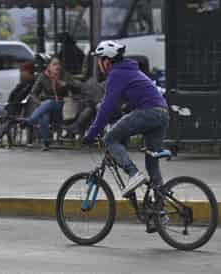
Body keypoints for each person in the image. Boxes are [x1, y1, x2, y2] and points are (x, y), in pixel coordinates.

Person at [82, 41, 169, 197]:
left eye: (99, 60)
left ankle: (133, 174)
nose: (99, 64)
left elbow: (106, 108)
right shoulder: (130, 70)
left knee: (110, 139)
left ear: (107, 61)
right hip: (162, 113)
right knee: (152, 164)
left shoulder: (116, 74)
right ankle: (160, 211)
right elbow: (125, 103)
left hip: (148, 112)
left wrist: (91, 133)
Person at [20, 56, 82, 151]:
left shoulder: (64, 75)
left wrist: (67, 84)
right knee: (44, 114)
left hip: (61, 106)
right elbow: (33, 93)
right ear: (49, 67)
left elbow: (78, 87)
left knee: (47, 104)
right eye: (54, 64)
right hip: (46, 106)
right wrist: (40, 103)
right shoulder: (43, 76)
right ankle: (46, 143)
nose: (57, 66)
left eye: (58, 64)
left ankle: (30, 121)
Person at [0, 62, 36, 144]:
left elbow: (19, 98)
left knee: (8, 117)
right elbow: (13, 95)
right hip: (11, 107)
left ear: (28, 72)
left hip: (18, 109)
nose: (20, 74)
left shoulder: (30, 84)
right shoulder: (22, 83)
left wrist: (10, 103)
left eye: (22, 72)